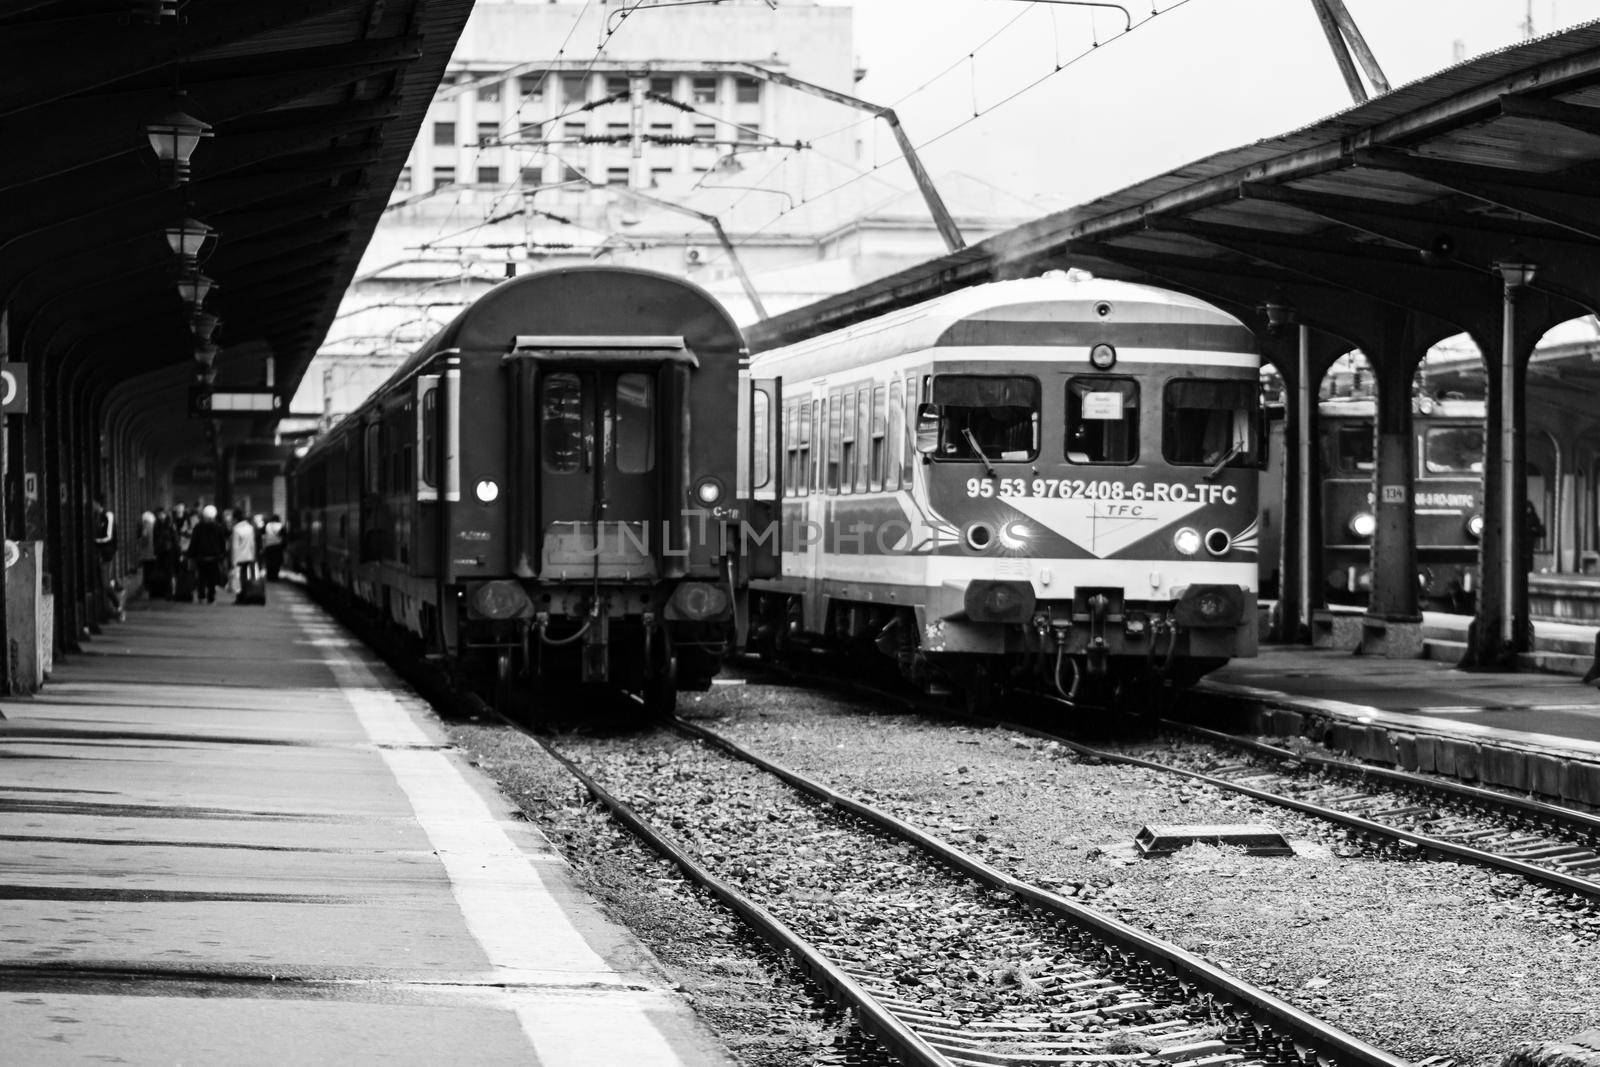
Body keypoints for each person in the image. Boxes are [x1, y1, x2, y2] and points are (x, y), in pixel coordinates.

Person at [91, 497, 123, 623]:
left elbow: (108, 536)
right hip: (101, 552)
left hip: (106, 553)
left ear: (98, 503)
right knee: (101, 582)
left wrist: (95, 541)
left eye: (94, 503)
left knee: (104, 583)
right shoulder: (97, 516)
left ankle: (117, 604)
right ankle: (110, 605)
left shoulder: (107, 516)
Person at [187, 505, 227, 604]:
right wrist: (222, 554)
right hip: (214, 557)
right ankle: (211, 597)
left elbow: (194, 542)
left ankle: (201, 596)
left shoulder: (198, 527)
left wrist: (191, 555)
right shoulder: (218, 527)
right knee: (212, 579)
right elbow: (222, 542)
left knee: (201, 577)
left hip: (201, 557)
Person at [230, 509, 259, 594]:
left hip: (239, 557)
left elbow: (235, 546)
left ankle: (241, 596)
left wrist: (233, 560)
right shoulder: (250, 528)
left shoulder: (236, 528)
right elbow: (252, 544)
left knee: (239, 578)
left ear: (235, 518)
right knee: (247, 577)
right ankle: (248, 594)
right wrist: (254, 556)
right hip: (249, 556)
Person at [136, 510, 157, 599]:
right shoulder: (154, 526)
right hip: (154, 553)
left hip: (146, 553)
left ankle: (146, 588)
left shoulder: (145, 527)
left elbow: (144, 539)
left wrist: (139, 542)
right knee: (152, 570)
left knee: (146, 571)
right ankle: (151, 587)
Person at [262, 514, 285, 581]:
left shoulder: (267, 526)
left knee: (269, 562)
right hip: (278, 547)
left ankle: (269, 576)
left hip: (268, 546)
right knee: (277, 562)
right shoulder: (281, 526)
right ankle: (275, 577)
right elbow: (284, 536)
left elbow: (263, 536)